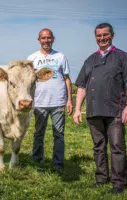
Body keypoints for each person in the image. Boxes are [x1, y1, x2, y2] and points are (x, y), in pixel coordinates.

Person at [73, 23, 127, 194]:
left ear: (112, 35)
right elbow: (81, 87)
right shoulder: (90, 60)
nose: (102, 38)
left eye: (105, 35)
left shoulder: (123, 57)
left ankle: (119, 183)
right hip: (94, 112)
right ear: (95, 37)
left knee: (117, 146)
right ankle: (101, 179)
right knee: (98, 146)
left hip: (115, 110)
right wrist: (78, 109)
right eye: (98, 35)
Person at [27, 28, 73, 169]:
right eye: (43, 38)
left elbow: (67, 79)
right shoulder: (31, 58)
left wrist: (69, 100)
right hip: (39, 102)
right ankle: (37, 160)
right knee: (39, 133)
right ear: (39, 40)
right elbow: (27, 81)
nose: (46, 41)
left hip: (58, 101)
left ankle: (57, 163)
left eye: (48, 38)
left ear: (53, 39)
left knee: (58, 134)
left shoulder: (60, 56)